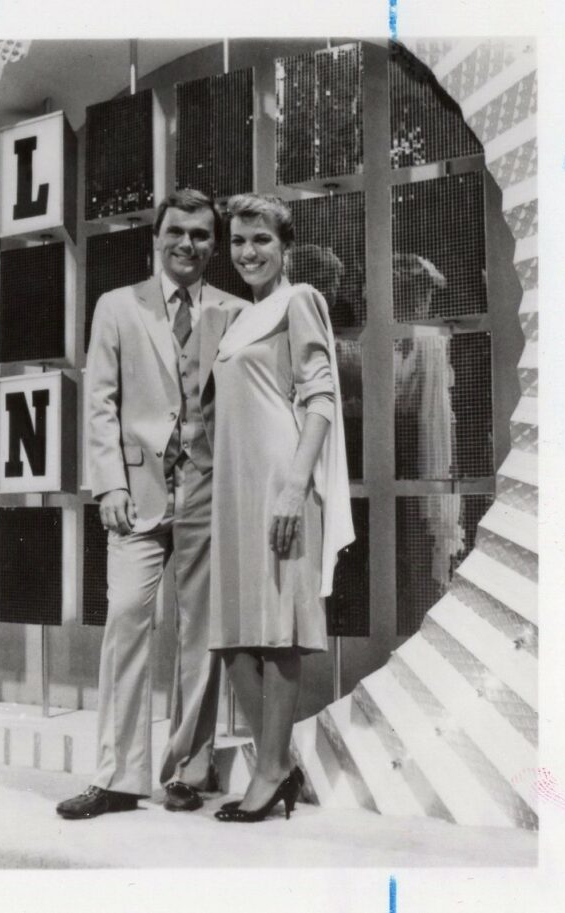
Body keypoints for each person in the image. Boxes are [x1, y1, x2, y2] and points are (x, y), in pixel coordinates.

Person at [56, 189, 249, 820]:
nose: (186, 244)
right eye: (176, 232)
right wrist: (108, 483)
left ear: (213, 246)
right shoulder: (117, 307)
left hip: (208, 491)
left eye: (199, 234)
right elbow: (100, 402)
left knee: (201, 636)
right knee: (127, 622)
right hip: (136, 494)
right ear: (156, 238)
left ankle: (189, 771)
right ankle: (117, 777)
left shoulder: (236, 311)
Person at [209, 193, 353, 823]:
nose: (248, 252)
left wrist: (296, 486)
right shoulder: (241, 317)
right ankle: (280, 765)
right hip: (233, 487)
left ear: (285, 245)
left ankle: (270, 770)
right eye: (238, 241)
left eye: (260, 240)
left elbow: (321, 398)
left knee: (278, 633)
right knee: (233, 635)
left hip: (280, 482)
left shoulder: (300, 302)